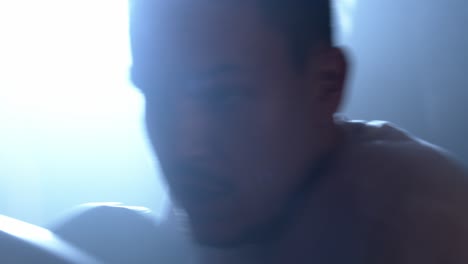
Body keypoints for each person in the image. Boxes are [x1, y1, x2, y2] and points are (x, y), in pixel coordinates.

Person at [52, 1, 468, 263]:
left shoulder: (418, 221)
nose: (184, 146)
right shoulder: (228, 194)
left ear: (326, 83)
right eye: (156, 93)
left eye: (224, 97)